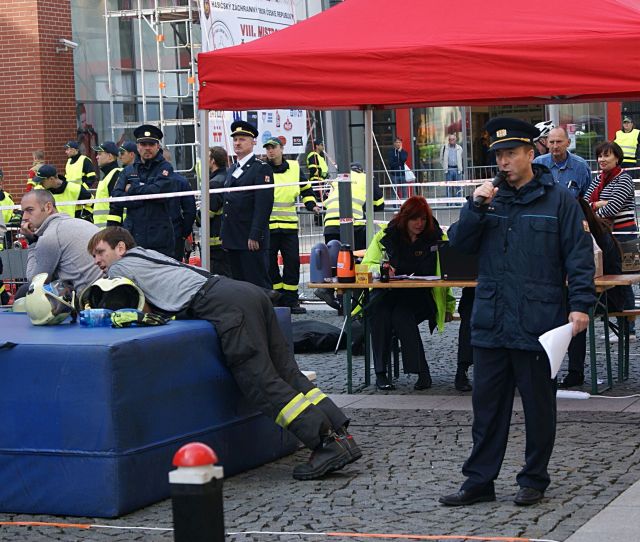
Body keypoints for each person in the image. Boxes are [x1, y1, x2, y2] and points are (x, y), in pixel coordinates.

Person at [87, 226, 362, 480]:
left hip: (224, 305)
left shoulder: (119, 269)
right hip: (245, 293)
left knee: (259, 382)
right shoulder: (148, 254)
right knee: (287, 373)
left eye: (100, 252)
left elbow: (135, 310)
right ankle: (339, 431)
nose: (97, 261)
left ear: (120, 248)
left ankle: (325, 444)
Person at [441, 117, 595, 507]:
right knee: (487, 409)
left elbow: (578, 257)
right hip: (492, 319)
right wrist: (476, 206)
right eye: (499, 155)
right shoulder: (489, 196)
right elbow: (459, 245)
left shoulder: (558, 198)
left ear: (531, 153)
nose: (504, 161)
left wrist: (580, 306)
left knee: (539, 406)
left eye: (511, 153)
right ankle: (479, 480)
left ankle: (533, 479)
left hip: (538, 321)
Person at [361, 196, 455, 391]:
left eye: (423, 219)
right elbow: (367, 265)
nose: (419, 224)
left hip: (422, 297)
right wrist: (382, 269)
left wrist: (448, 306)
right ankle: (380, 372)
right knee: (378, 312)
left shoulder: (437, 238)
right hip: (388, 294)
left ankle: (421, 372)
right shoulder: (386, 236)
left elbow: (448, 276)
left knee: (401, 315)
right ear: (405, 219)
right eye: (415, 219)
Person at [560, 199, 625, 388]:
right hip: (595, 292)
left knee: (573, 308)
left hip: (609, 295)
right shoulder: (593, 230)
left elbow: (596, 270)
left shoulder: (596, 234)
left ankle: (574, 371)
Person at [585, 140, 637, 339]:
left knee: (625, 280)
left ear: (617, 158)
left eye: (606, 155)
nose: (601, 159)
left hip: (625, 237)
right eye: (599, 155)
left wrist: (596, 206)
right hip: (606, 237)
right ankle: (620, 326)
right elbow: (585, 202)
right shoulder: (599, 179)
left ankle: (628, 329)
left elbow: (611, 209)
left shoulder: (624, 179)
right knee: (613, 280)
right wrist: (597, 203)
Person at [315, 162, 384, 311]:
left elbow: (326, 201)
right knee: (355, 261)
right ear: (362, 170)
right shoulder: (366, 178)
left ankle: (331, 291)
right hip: (353, 222)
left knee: (337, 262)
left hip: (330, 223)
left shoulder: (336, 180)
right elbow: (379, 203)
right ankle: (352, 304)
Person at [264, 137, 319, 314]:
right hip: (269, 227)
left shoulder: (294, 168)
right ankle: (277, 297)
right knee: (270, 264)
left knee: (292, 263)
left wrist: (312, 205)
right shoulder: (262, 169)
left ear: (281, 149)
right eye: (267, 149)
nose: (270, 151)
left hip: (289, 227)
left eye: (273, 148)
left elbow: (306, 190)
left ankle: (291, 300)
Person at [18, 190, 102, 298]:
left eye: (30, 210)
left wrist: (32, 242)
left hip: (87, 299)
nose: (24, 217)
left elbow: (34, 282)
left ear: (48, 207)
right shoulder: (79, 223)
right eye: (23, 212)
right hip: (106, 292)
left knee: (23, 292)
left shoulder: (50, 236)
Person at [220, 120, 274, 289]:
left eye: (242, 139)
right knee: (239, 284)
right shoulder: (232, 169)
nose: (237, 143)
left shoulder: (260, 169)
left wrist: (255, 233)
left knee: (256, 282)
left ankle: (265, 315)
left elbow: (263, 205)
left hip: (249, 236)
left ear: (253, 142)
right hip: (233, 236)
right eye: (235, 139)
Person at [111, 124, 177, 258]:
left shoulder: (165, 168)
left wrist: (133, 190)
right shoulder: (128, 170)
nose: (147, 148)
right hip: (133, 236)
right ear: (137, 146)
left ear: (158, 146)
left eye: (151, 144)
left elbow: (159, 193)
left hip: (159, 237)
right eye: (143, 144)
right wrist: (143, 198)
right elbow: (117, 197)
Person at [533, 127, 592, 198]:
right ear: (547, 144)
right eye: (552, 142)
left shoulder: (581, 166)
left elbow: (588, 198)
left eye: (559, 142)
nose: (555, 146)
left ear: (568, 142)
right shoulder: (538, 163)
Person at [207, 146, 231, 277]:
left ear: (213, 161)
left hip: (216, 241)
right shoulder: (228, 176)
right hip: (227, 237)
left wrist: (198, 216)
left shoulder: (215, 183)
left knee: (219, 276)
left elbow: (207, 214)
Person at [92, 141, 123, 229]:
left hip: (110, 230)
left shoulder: (116, 175)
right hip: (103, 230)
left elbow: (116, 206)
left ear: (110, 157)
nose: (96, 157)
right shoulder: (107, 176)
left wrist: (112, 229)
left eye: (100, 154)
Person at [168, 171, 196, 262]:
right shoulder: (181, 181)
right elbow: (190, 211)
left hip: (148, 238)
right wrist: (184, 233)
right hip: (175, 235)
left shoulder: (144, 181)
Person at [440, 134, 463, 201]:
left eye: (453, 139)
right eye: (450, 139)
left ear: (455, 140)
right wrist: (445, 167)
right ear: (448, 140)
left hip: (457, 169)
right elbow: (441, 159)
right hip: (449, 169)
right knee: (449, 187)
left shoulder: (459, 148)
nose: (452, 141)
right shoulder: (444, 148)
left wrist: (460, 168)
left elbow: (461, 158)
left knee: (458, 186)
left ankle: (458, 201)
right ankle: (449, 202)